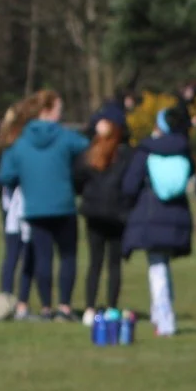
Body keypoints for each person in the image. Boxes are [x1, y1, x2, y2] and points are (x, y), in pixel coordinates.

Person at [0, 89, 84, 320]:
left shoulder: (21, 141)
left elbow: (5, 175)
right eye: (59, 110)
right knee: (67, 256)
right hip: (64, 205)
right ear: (48, 110)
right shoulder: (66, 137)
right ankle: (64, 306)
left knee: (42, 259)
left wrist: (23, 179)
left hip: (34, 207)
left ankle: (46, 307)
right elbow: (88, 149)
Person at [120, 102, 196, 336]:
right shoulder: (185, 150)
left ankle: (164, 320)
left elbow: (130, 185)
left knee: (157, 268)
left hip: (151, 214)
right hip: (176, 216)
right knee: (163, 266)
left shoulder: (146, 150)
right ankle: (161, 314)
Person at [75, 107, 128, 320]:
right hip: (117, 214)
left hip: (94, 213)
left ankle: (89, 308)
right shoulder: (125, 155)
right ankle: (112, 307)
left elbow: (77, 179)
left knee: (94, 262)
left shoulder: (89, 153)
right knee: (114, 264)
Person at [0, 95, 37, 317]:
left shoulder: (7, 143)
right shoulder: (19, 144)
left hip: (13, 205)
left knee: (13, 254)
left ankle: (10, 299)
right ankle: (16, 302)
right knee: (23, 254)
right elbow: (5, 176)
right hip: (22, 204)